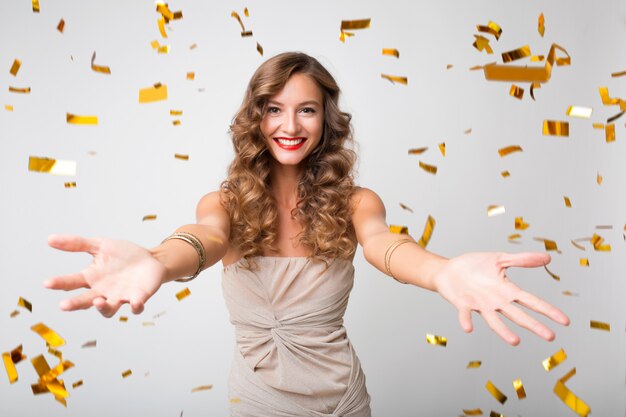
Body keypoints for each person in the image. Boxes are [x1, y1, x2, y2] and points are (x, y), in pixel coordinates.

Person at [44, 52, 569, 416]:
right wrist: (159, 260)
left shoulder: (357, 202)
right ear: (256, 117)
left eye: (306, 109)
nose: (289, 124)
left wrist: (441, 271)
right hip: (258, 401)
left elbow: (384, 245)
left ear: (326, 119)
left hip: (342, 401)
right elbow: (202, 239)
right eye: (273, 108)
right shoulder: (222, 204)